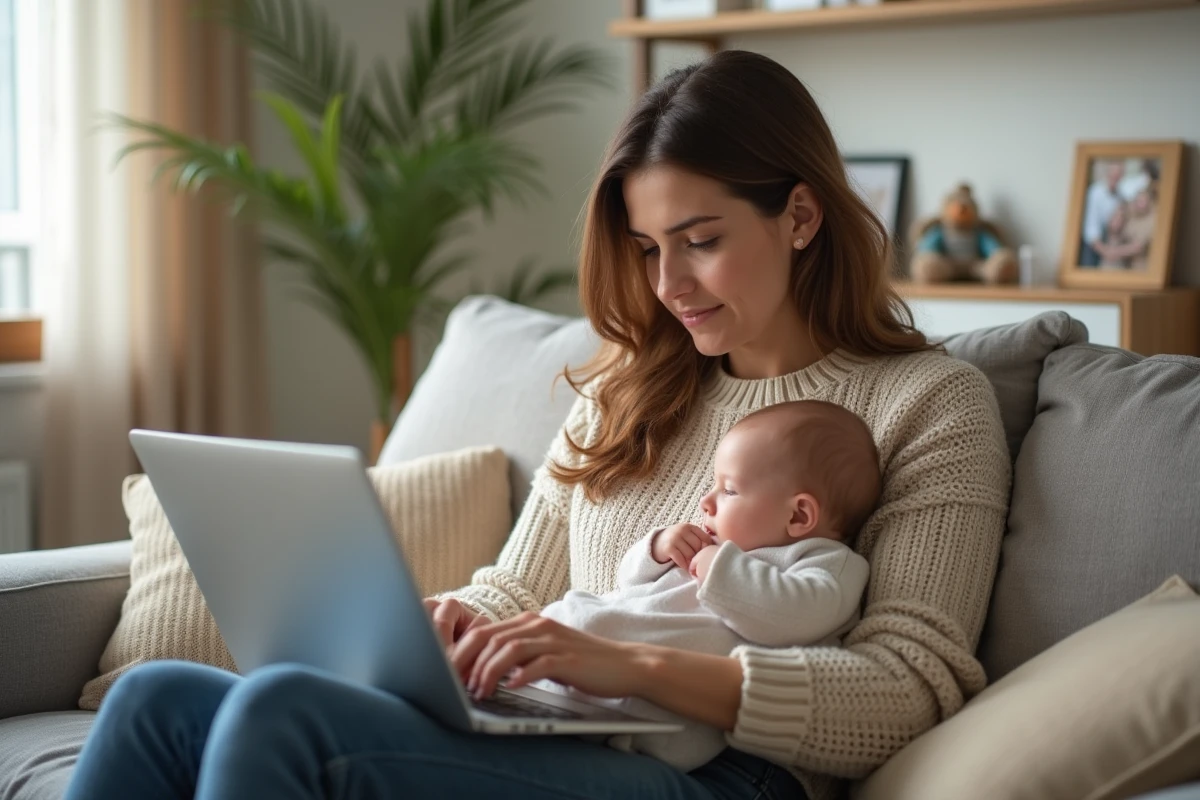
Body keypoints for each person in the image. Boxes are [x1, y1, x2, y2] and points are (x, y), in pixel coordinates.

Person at [65, 50, 1011, 800]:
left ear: (800, 215)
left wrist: (621, 661)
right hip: (563, 720)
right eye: (646, 250)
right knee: (156, 701)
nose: (667, 286)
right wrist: (443, 628)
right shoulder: (628, 389)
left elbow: (906, 689)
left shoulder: (927, 404)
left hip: (725, 769)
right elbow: (520, 586)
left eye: (702, 241)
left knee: (283, 717)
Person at [530, 400, 877, 772]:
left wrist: (720, 570)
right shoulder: (720, 547)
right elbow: (629, 584)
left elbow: (795, 615)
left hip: (644, 711)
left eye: (729, 490)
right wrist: (658, 548)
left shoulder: (829, 564)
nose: (706, 502)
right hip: (580, 665)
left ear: (798, 515)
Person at [1080, 160, 1125, 267]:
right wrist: (1103, 250)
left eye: (1119, 174)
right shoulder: (1095, 192)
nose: (1116, 177)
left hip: (1108, 242)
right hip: (1092, 244)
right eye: (1114, 173)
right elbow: (1091, 226)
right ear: (1108, 174)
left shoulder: (1120, 196)